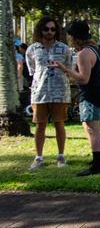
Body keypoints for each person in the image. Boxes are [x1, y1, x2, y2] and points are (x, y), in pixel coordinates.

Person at [53, 20, 100, 176]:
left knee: (92, 130)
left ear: (75, 38)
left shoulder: (84, 53)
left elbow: (84, 78)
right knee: (92, 128)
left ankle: (97, 165)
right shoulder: (95, 49)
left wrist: (65, 69)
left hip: (90, 94)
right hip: (97, 93)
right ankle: (96, 160)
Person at [24, 16, 73, 170]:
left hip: (60, 92)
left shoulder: (65, 49)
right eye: (46, 29)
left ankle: (61, 156)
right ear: (41, 30)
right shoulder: (32, 49)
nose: (49, 32)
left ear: (56, 31)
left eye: (53, 29)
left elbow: (70, 70)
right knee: (40, 125)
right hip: (40, 92)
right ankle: (38, 158)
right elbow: (32, 71)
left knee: (59, 123)